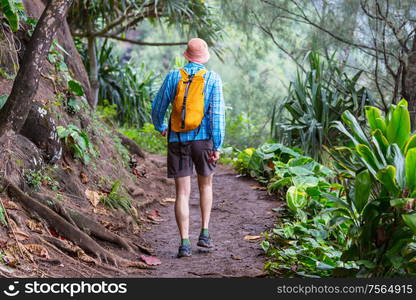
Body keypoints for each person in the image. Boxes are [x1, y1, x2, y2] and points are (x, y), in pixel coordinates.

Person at [151, 38, 225, 258]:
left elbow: (158, 107)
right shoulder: (212, 78)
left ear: (186, 55)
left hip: (178, 140)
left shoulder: (174, 76)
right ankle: (205, 233)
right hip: (203, 141)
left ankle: (184, 243)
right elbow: (218, 115)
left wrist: (161, 126)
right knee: (205, 186)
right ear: (204, 57)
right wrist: (217, 144)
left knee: (182, 192)